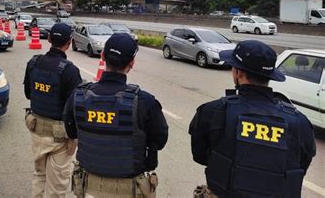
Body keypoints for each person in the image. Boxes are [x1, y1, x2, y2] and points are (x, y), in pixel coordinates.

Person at [189, 40, 316, 198]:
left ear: (238, 73)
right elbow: (302, 164)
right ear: (269, 75)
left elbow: (200, 155)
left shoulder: (213, 111)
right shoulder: (299, 121)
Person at [64, 33, 169, 197]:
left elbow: (71, 131)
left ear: (103, 56)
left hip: (89, 186)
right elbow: (160, 139)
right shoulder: (144, 101)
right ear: (132, 63)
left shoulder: (78, 96)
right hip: (130, 188)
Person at [24, 22, 83, 198]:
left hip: (36, 130)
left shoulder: (33, 63)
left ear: (49, 39)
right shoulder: (70, 71)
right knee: (57, 185)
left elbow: (28, 94)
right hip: (60, 136)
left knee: (39, 175)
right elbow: (75, 107)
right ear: (69, 42)